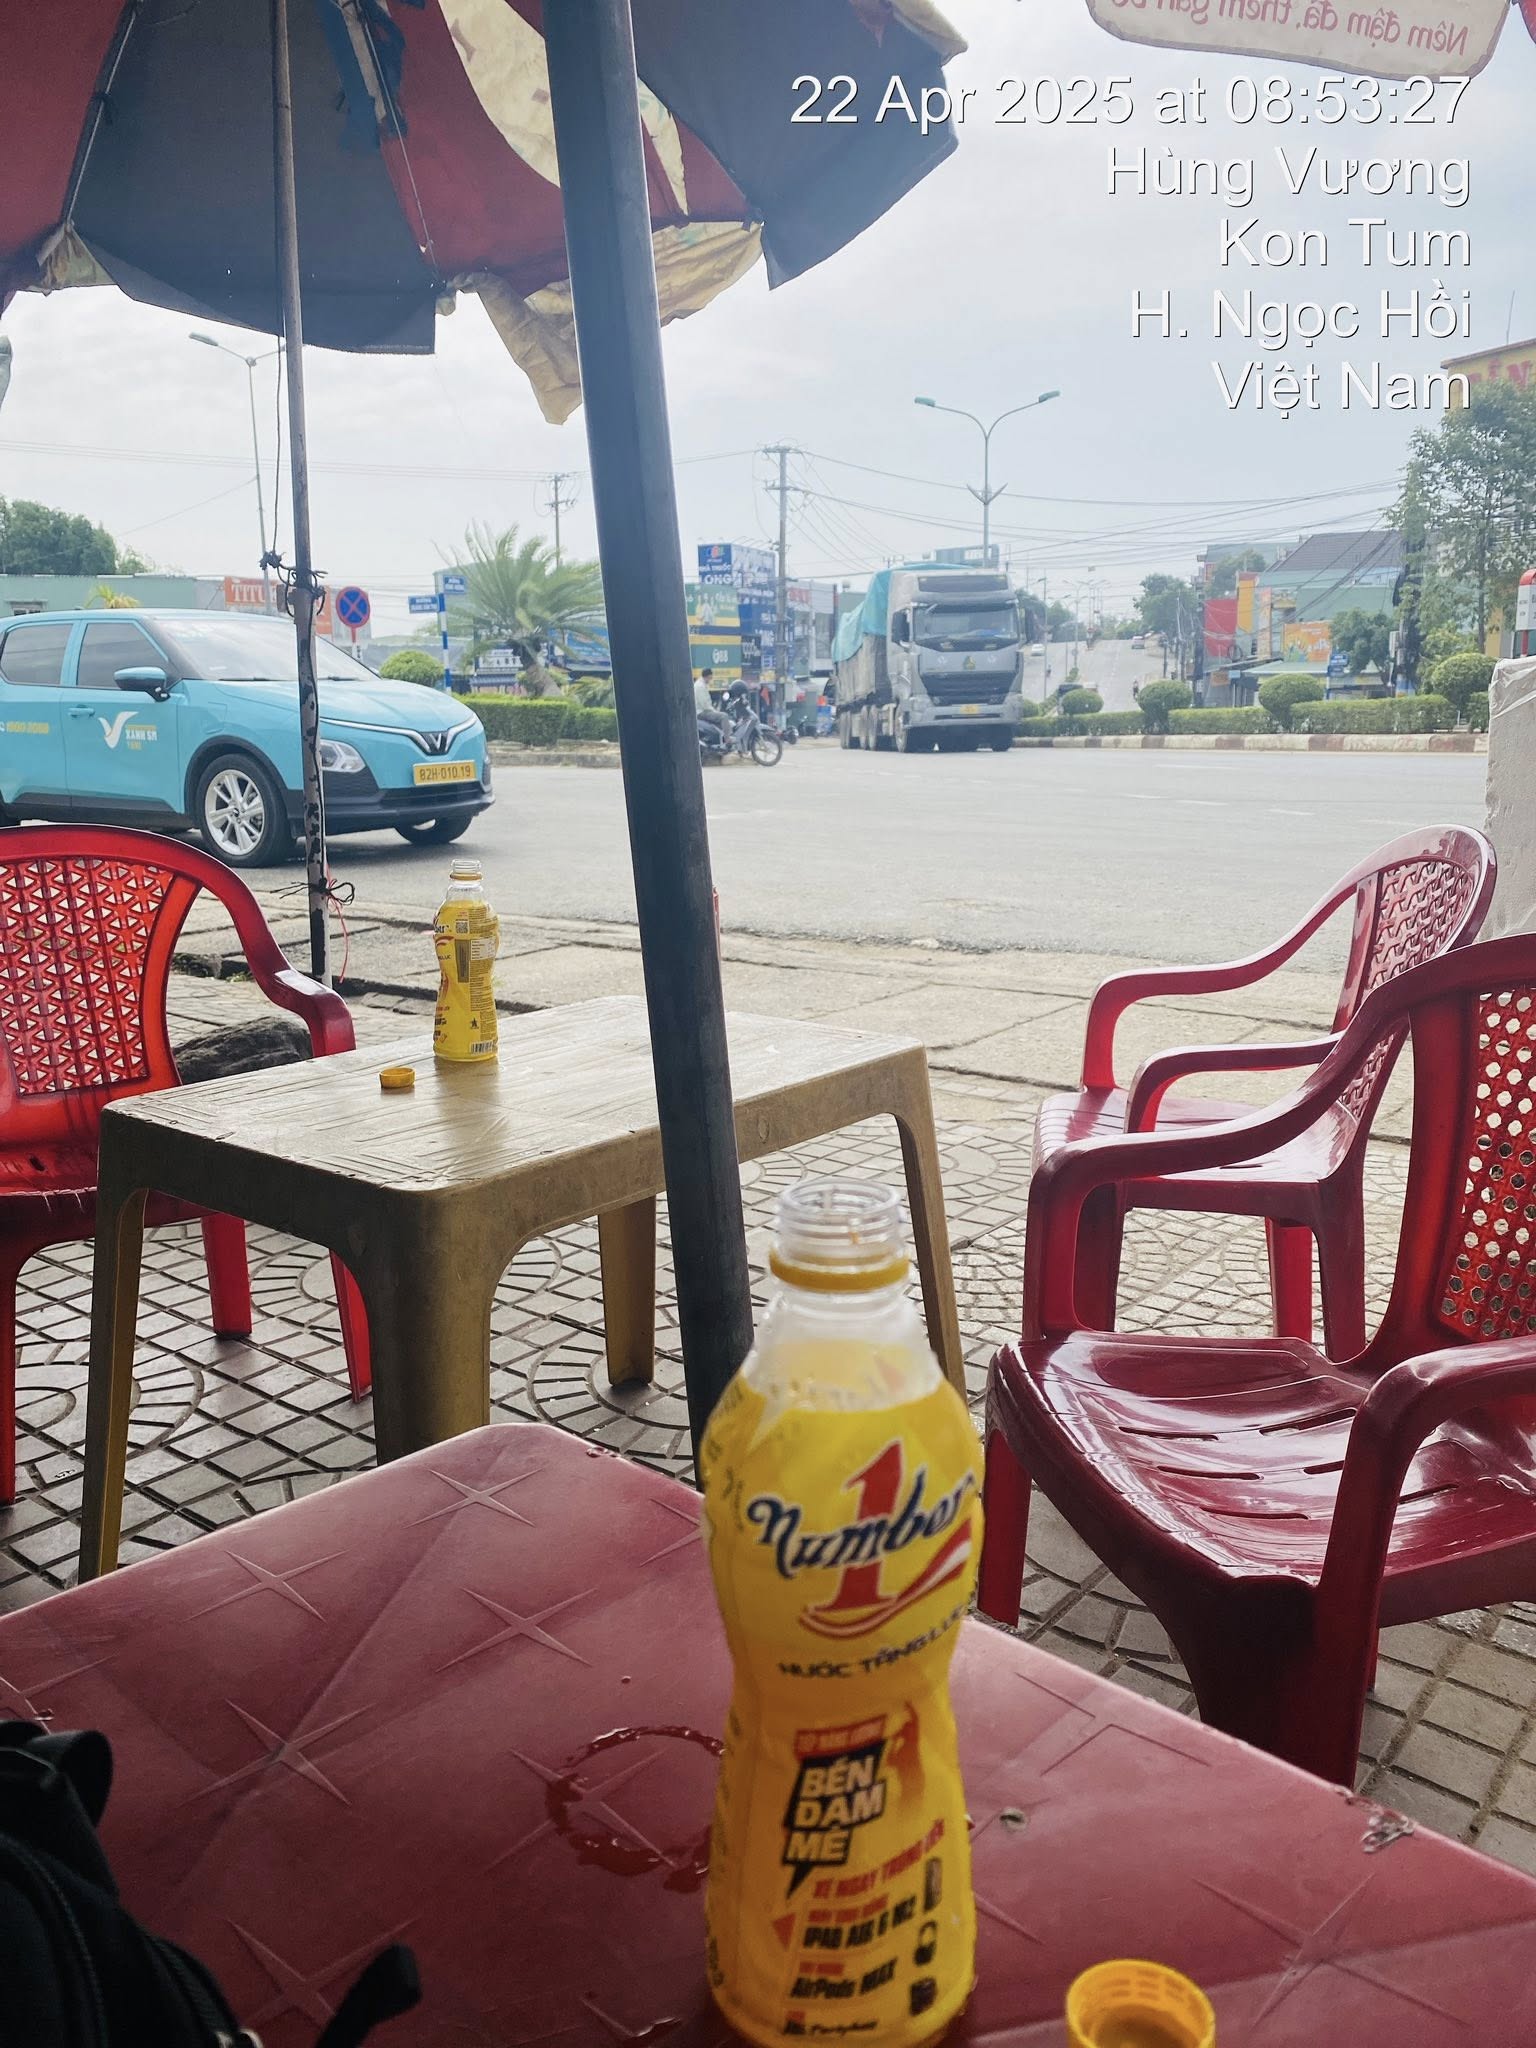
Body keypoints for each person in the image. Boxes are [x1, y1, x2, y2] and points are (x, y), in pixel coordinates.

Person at [695, 668, 731, 747]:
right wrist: (714, 711)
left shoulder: (700, 684)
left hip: (702, 711)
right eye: (710, 677)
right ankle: (727, 739)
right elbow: (705, 704)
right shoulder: (700, 686)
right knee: (724, 716)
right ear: (707, 676)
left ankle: (720, 740)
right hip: (702, 712)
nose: (710, 680)